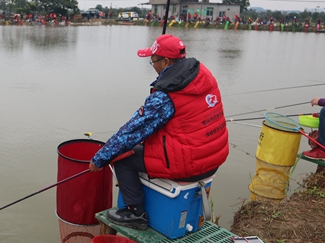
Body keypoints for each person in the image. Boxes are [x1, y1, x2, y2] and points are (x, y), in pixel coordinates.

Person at [88, 34, 229, 230]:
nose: (152, 65)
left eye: (153, 61)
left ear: (166, 61)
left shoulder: (167, 94)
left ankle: (136, 214)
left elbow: (131, 131)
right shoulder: (201, 74)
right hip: (212, 159)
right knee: (137, 145)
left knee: (121, 156)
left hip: (191, 165)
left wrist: (99, 159)